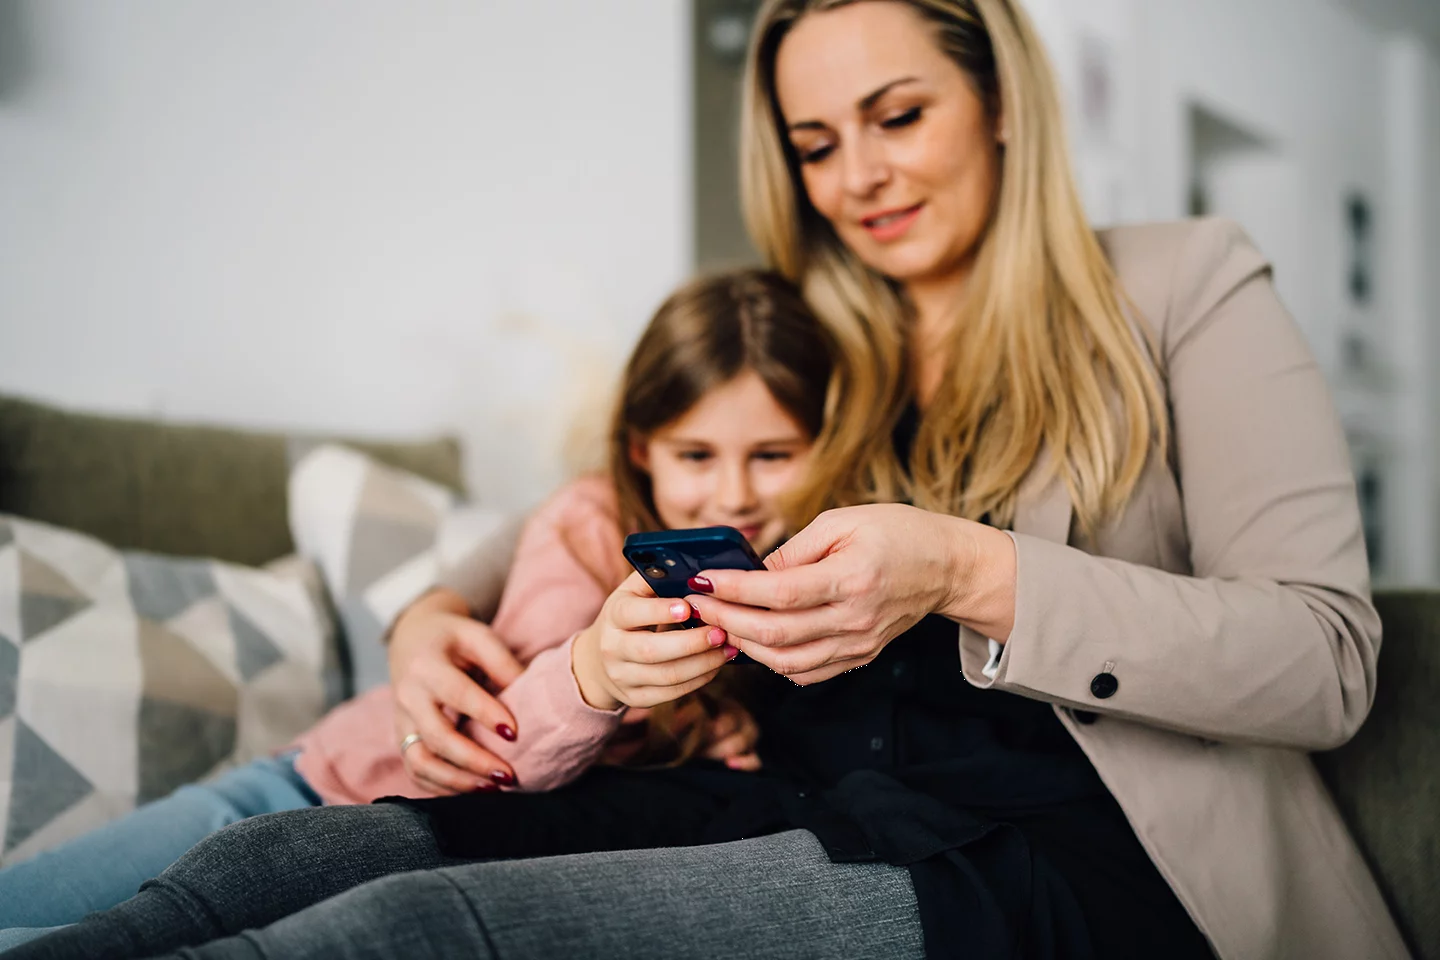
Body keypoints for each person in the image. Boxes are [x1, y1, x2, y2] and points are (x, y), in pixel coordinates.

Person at [8, 1, 1410, 958]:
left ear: (998, 102)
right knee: (278, 867)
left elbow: (1326, 659)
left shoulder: (1183, 286)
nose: (857, 175)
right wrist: (429, 611)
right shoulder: (820, 329)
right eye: (815, 145)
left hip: (1067, 860)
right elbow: (598, 495)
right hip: (805, 797)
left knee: (401, 937)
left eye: (897, 114)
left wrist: (965, 569)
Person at [0, 268, 826, 947]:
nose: (732, 492)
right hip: (314, 787)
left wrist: (698, 732)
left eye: (773, 455)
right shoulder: (587, 529)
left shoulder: (799, 570)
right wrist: (596, 674)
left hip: (383, 860)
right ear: (643, 449)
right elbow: (501, 742)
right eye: (696, 455)